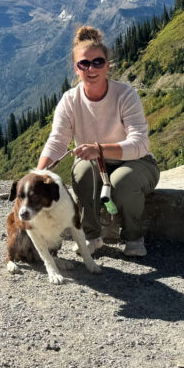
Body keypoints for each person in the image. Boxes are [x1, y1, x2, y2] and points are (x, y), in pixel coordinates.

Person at [37, 25, 160, 257]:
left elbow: (140, 144)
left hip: (138, 162)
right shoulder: (69, 100)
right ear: (76, 69)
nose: (91, 68)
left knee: (122, 181)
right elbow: (57, 141)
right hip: (95, 164)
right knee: (82, 170)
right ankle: (91, 237)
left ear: (107, 65)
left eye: (98, 62)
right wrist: (37, 173)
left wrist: (99, 149)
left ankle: (134, 237)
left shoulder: (125, 95)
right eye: (84, 64)